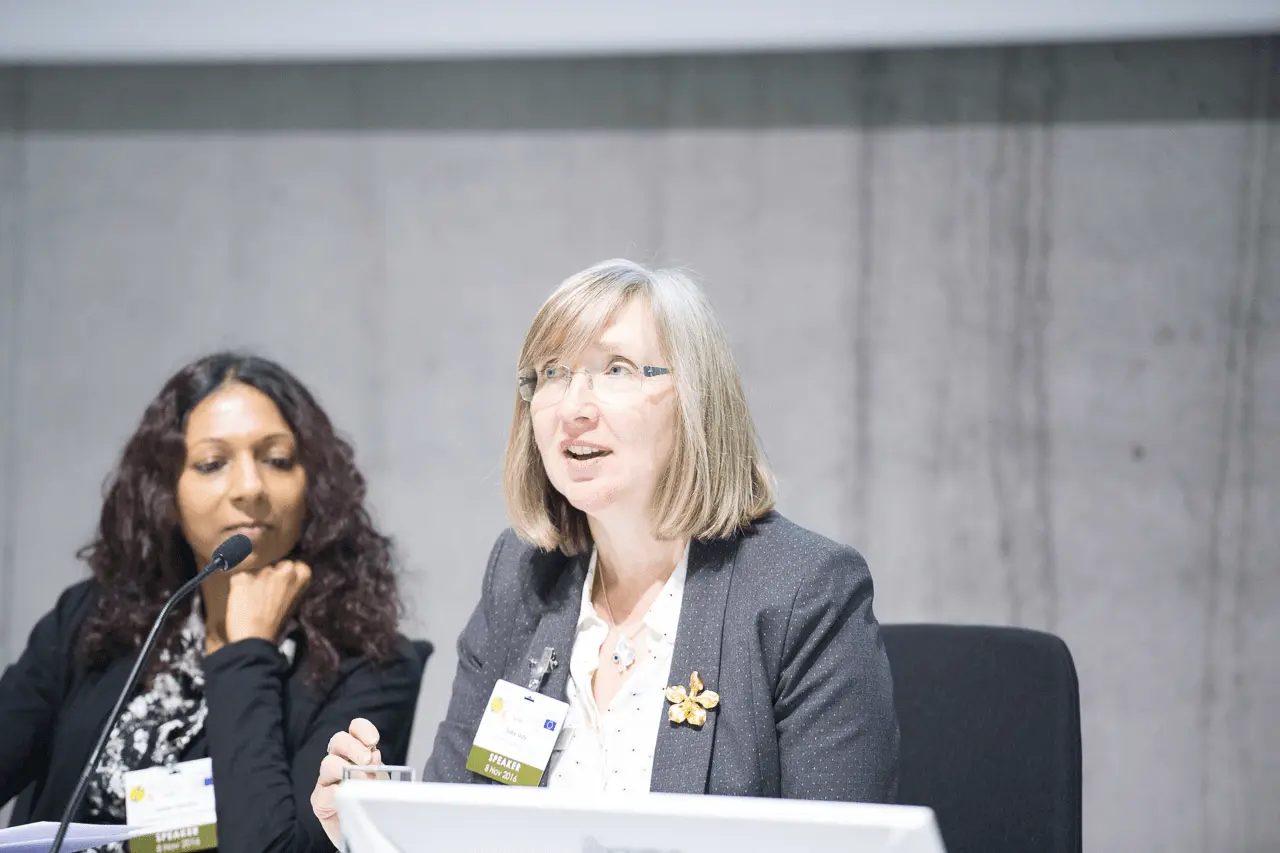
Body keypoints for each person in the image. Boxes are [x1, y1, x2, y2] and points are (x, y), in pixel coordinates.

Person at [313, 259, 899, 847]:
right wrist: (370, 826)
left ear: (694, 396)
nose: (574, 408)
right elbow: (458, 822)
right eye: (552, 373)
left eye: (616, 369)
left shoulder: (801, 591)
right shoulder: (522, 576)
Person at [0, 353, 421, 853]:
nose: (250, 487)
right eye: (212, 463)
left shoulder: (371, 667)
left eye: (277, 459)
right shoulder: (95, 618)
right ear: (165, 491)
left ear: (313, 483)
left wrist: (246, 652)